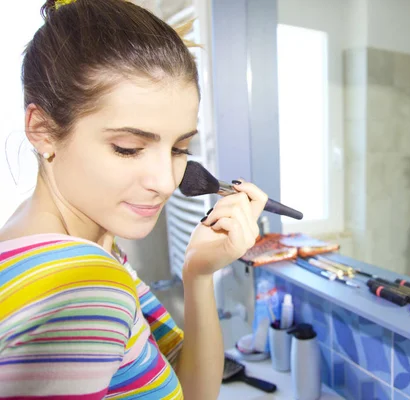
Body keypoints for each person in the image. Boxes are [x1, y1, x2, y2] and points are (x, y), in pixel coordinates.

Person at [0, 0, 268, 398]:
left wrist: (197, 274)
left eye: (179, 149)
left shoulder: (80, 248)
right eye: (127, 148)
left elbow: (190, 390)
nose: (165, 182)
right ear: (42, 130)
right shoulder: (83, 287)